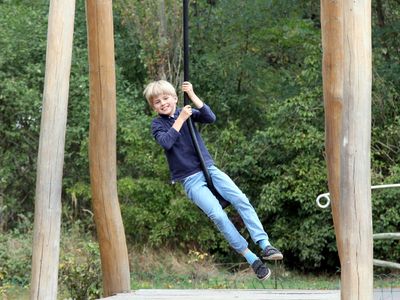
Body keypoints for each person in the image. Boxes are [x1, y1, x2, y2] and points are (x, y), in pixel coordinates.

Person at [143, 80, 283, 280]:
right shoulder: (157, 124)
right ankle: (251, 257)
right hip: (190, 179)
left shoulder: (187, 111)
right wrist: (181, 118)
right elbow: (166, 142)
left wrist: (191, 95)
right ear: (153, 106)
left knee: (240, 199)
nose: (163, 103)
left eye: (166, 98)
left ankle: (265, 245)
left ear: (174, 98)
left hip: (209, 168)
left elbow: (210, 117)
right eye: (157, 102)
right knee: (218, 215)